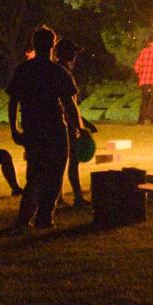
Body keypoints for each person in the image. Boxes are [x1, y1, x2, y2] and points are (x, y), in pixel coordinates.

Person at [7, 26, 81, 230]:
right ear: (53, 44)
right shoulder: (58, 71)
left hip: (33, 128)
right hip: (55, 128)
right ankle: (45, 217)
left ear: (34, 44)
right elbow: (69, 103)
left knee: (35, 175)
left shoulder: (23, 70)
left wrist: (14, 129)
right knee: (55, 173)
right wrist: (79, 128)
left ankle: (25, 218)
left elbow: (13, 101)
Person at [54, 38, 96, 207]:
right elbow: (67, 103)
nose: (75, 56)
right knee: (70, 161)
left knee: (66, 161)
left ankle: (62, 197)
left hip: (68, 121)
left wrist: (84, 122)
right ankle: (74, 197)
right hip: (66, 123)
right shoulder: (62, 72)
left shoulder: (60, 70)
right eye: (73, 52)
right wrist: (77, 126)